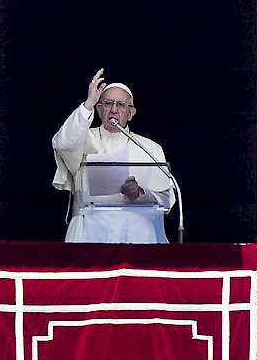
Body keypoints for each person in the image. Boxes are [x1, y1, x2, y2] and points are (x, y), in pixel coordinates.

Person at [52, 68, 175, 243]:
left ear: (131, 113)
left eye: (121, 105)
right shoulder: (83, 138)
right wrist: (88, 103)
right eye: (108, 103)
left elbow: (167, 199)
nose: (114, 110)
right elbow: (63, 143)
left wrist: (140, 193)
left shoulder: (150, 147)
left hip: (137, 235)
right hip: (89, 234)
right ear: (99, 109)